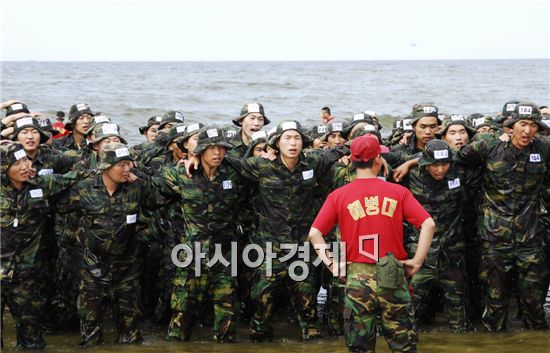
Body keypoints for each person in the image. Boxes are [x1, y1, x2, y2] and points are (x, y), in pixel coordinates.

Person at [308, 134, 435, 353]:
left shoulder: (339, 195)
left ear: (351, 161)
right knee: (403, 345)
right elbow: (428, 224)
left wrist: (331, 264)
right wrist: (416, 261)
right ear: (379, 160)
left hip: (357, 277)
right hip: (392, 273)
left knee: (360, 346)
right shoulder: (398, 192)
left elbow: (314, 233)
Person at [456, 101, 550, 332]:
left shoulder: (544, 148)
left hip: (531, 237)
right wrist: (411, 161)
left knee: (534, 303)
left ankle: (535, 344)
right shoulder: (488, 146)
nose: (527, 131)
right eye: (522, 124)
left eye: (533, 125)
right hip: (495, 238)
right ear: (510, 126)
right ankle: (494, 343)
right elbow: (454, 158)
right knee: (495, 303)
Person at [0, 142, 89, 349]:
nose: (25, 166)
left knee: (32, 338)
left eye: (26, 160)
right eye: (17, 162)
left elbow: (73, 178)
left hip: (28, 276)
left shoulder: (40, 184)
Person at [402, 140, 480, 332]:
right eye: (435, 165)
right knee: (407, 317)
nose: (440, 169)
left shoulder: (460, 174)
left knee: (459, 319)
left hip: (451, 254)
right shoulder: (410, 177)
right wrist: (409, 163)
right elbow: (381, 159)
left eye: (444, 164)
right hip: (421, 257)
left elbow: (483, 162)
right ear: (425, 163)